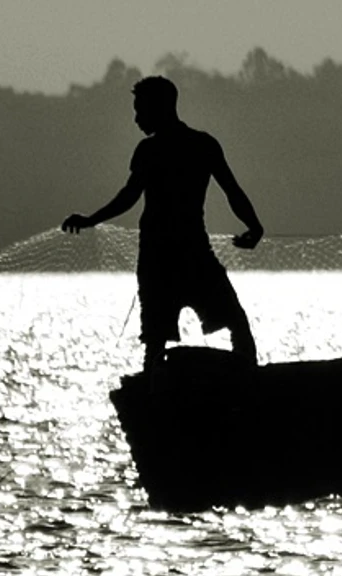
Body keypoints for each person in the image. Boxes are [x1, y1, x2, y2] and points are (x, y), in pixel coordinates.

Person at [63, 76, 264, 367]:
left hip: (167, 260)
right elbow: (232, 191)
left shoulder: (153, 150)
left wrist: (91, 219)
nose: (136, 119)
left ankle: (159, 392)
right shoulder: (201, 145)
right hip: (186, 257)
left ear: (160, 107)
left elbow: (129, 197)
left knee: (160, 341)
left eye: (140, 110)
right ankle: (245, 382)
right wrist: (254, 226)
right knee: (234, 326)